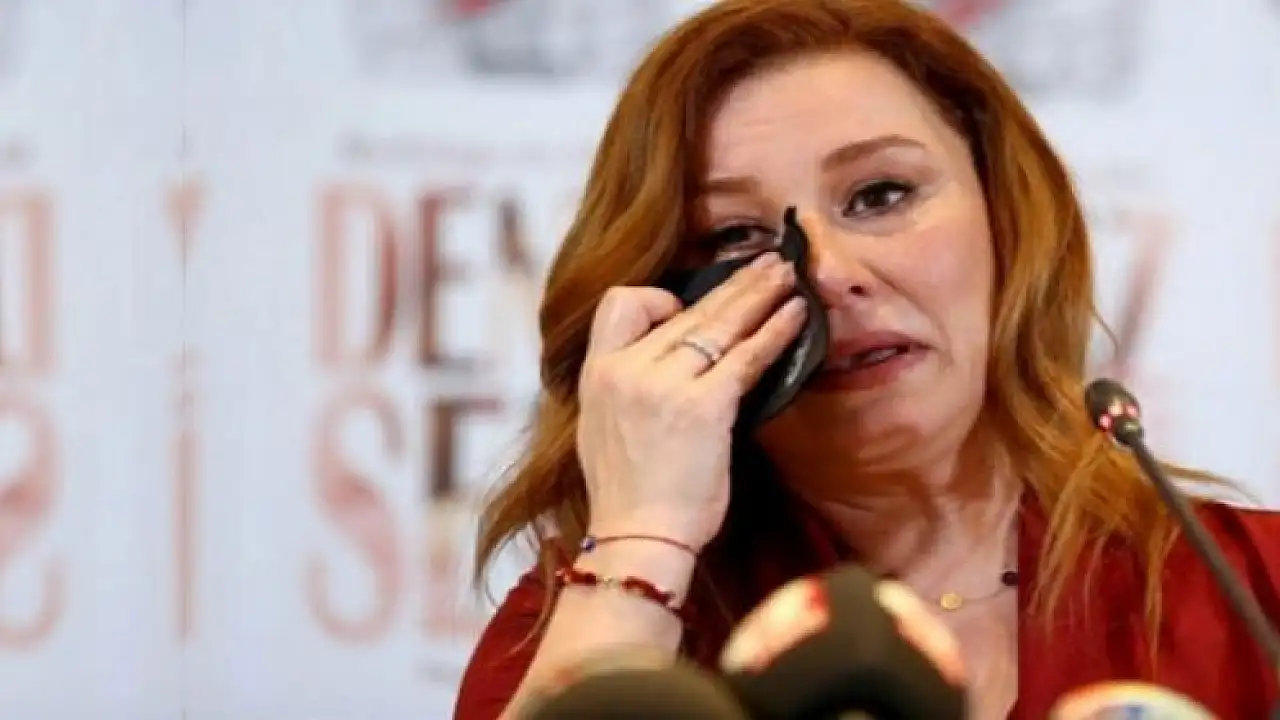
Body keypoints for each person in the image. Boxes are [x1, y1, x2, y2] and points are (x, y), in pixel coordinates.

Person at [453, 1, 1280, 718]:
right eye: (737, 237)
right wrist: (641, 539)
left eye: (881, 195)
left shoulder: (1250, 591)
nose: (828, 272)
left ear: (1005, 218)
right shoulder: (592, 624)